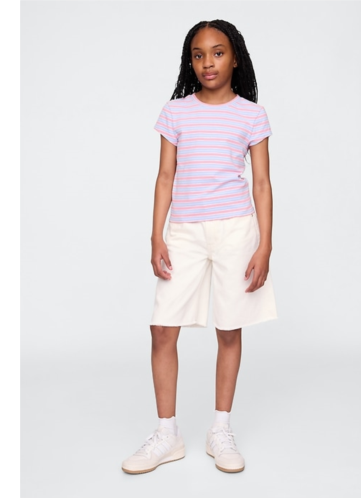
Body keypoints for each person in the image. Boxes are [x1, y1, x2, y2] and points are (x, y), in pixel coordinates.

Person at [122, 19, 277, 475]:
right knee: (162, 328)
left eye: (217, 52)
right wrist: (156, 235)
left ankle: (220, 429)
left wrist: (265, 246)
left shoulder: (252, 114)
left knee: (229, 328)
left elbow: (262, 184)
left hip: (236, 231)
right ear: (189, 62)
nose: (207, 62)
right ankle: (166, 434)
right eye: (198, 54)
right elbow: (165, 177)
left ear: (235, 58)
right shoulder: (176, 112)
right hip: (185, 232)